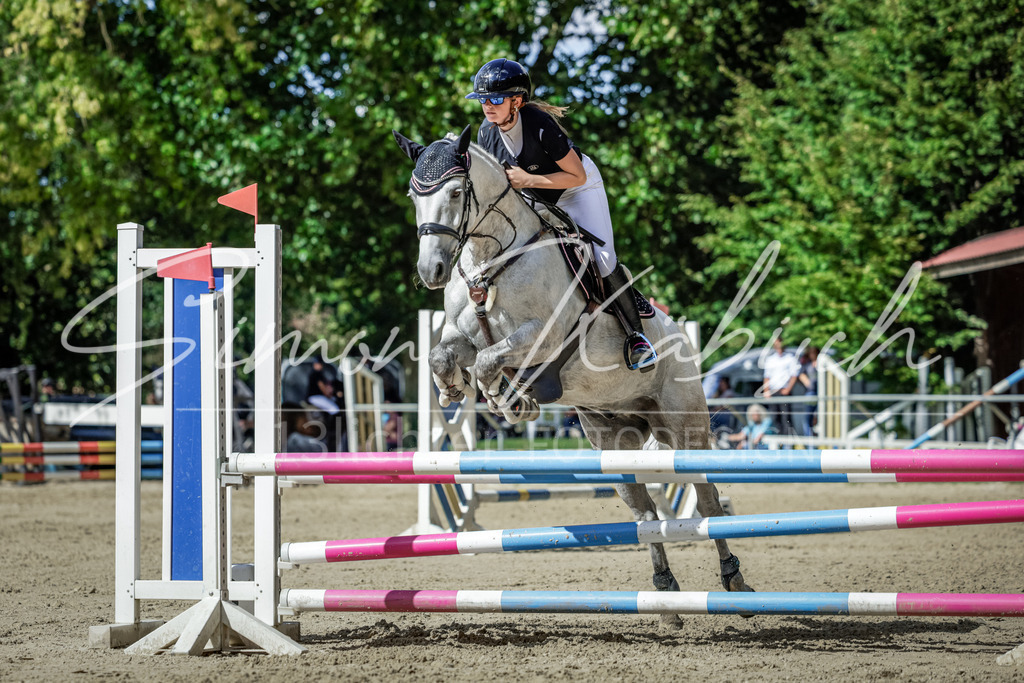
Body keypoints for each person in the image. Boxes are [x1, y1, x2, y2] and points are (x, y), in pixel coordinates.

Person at [465, 57, 656, 371]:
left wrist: (528, 179)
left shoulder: (539, 123)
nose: (487, 106)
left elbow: (576, 176)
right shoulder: (486, 134)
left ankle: (637, 338)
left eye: (496, 100)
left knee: (602, 257)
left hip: (578, 189)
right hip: (536, 196)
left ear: (517, 101)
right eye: (483, 100)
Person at [761, 338, 799, 435]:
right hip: (773, 391)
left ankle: (788, 441)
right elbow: (767, 376)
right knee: (775, 417)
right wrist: (766, 391)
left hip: (784, 391)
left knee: (786, 418)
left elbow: (794, 375)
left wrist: (788, 389)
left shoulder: (790, 358)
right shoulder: (770, 359)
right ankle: (779, 440)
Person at [796, 346, 819, 437]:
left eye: (814, 353)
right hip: (811, 392)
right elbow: (801, 375)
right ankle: (808, 437)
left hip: (823, 393)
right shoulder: (807, 365)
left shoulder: (822, 363)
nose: (813, 355)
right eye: (811, 353)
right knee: (808, 416)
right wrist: (808, 384)